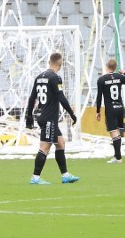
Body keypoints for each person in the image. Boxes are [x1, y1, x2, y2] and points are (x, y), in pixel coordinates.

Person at [25, 53, 80, 185]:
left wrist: (29, 116)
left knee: (60, 143)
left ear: (49, 62)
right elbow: (61, 97)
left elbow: (32, 98)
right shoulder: (55, 78)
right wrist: (72, 114)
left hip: (43, 116)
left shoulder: (39, 77)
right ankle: (35, 177)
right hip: (49, 119)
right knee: (45, 147)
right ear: (60, 64)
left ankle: (65, 175)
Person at [95, 59, 125, 164]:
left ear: (106, 66)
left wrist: (98, 111)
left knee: (113, 132)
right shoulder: (120, 77)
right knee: (117, 131)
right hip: (120, 107)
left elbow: (99, 97)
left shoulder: (102, 80)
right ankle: (116, 156)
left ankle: (118, 158)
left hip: (110, 109)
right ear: (115, 67)